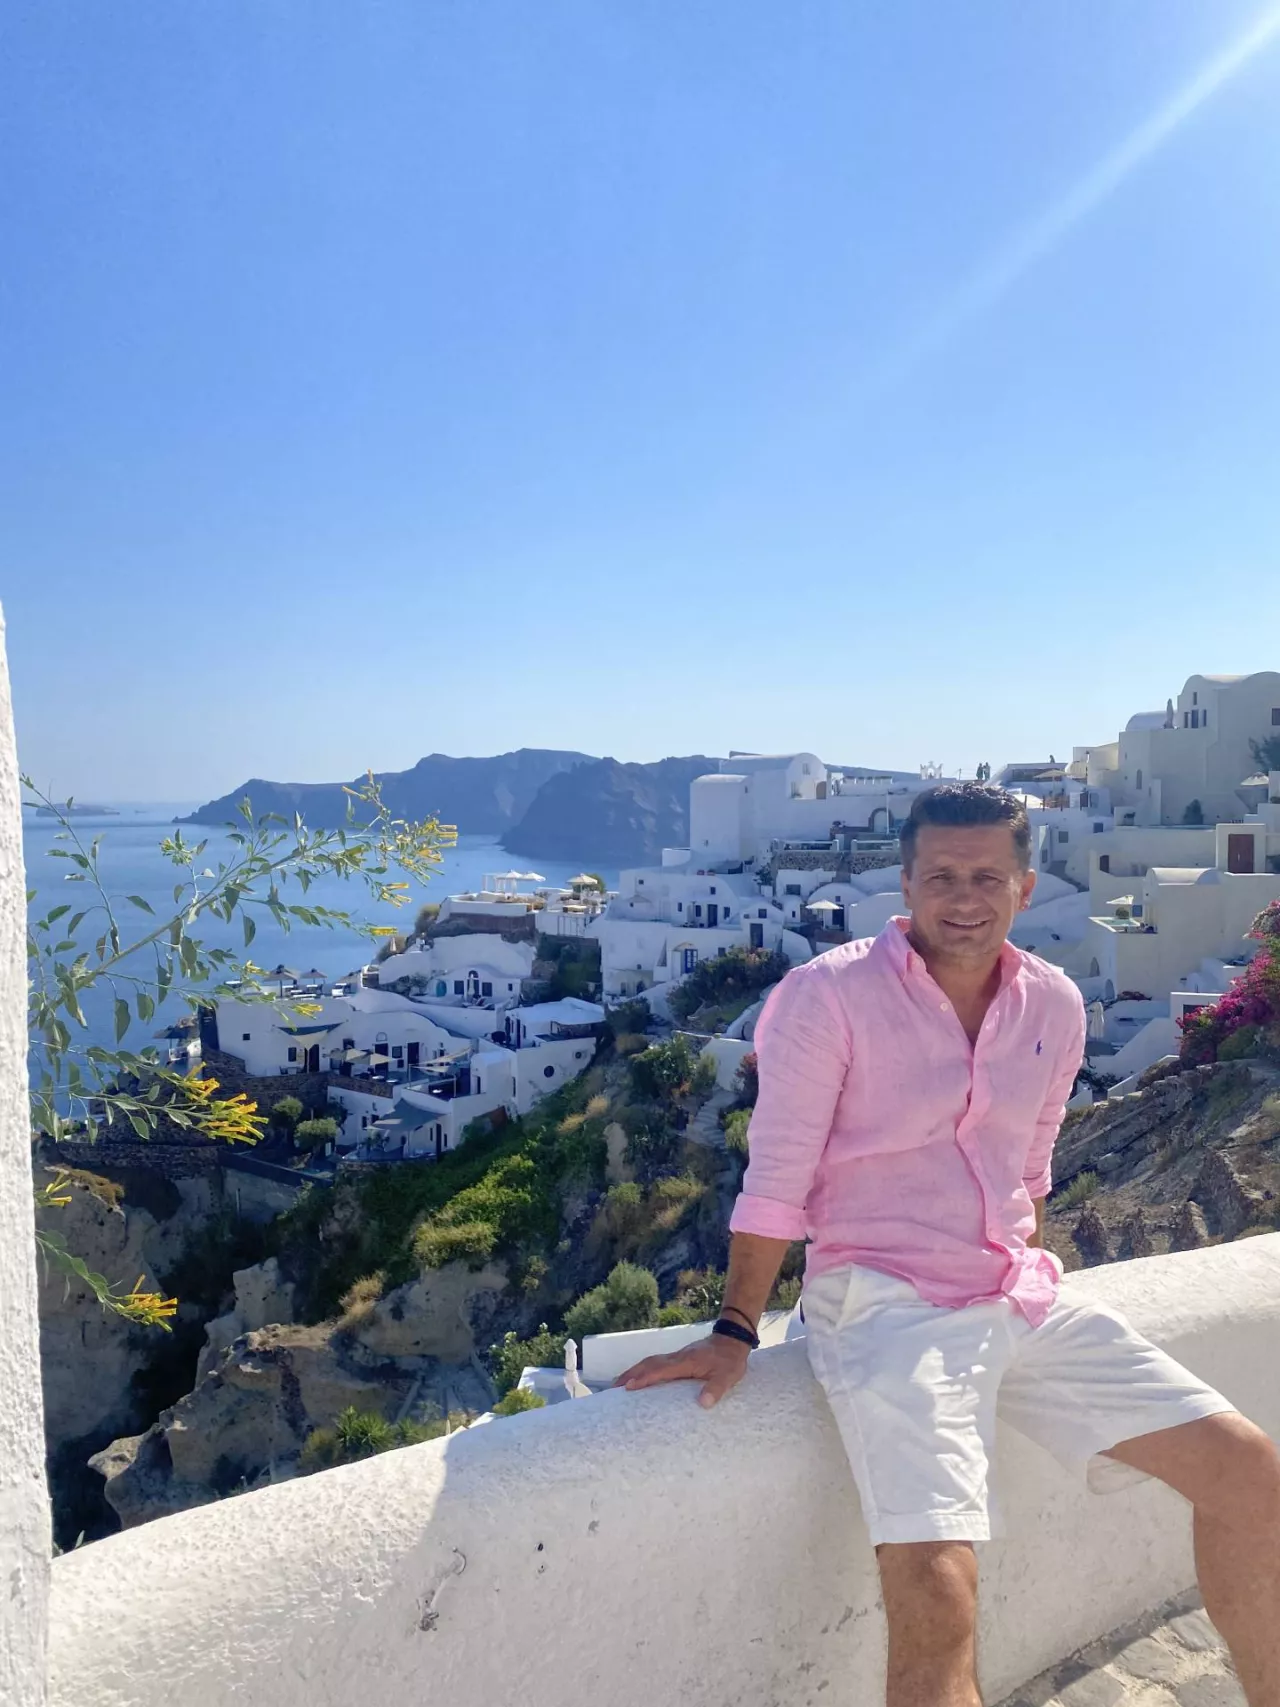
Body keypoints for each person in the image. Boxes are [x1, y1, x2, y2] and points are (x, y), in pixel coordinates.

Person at [617, 782, 1280, 1707]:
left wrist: (1025, 1281)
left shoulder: (1054, 1004)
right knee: (938, 1593)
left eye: (986, 877)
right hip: (884, 1306)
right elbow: (777, 1179)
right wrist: (735, 1328)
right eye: (941, 876)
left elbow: (1031, 1170)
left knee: (1253, 1474)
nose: (963, 897)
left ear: (1023, 885)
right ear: (906, 882)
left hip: (1017, 1291)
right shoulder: (827, 995)